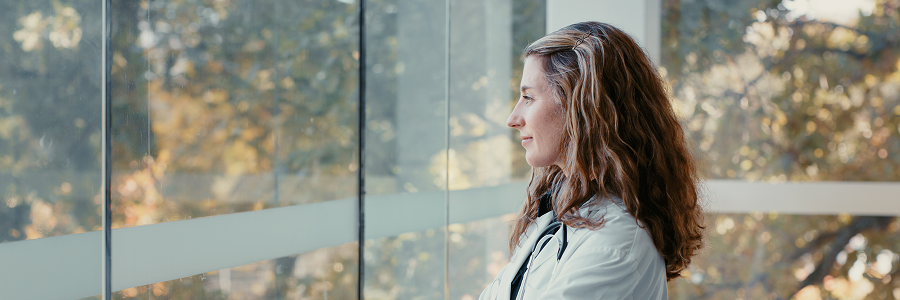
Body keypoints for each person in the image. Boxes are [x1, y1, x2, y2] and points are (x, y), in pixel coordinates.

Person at [479, 21, 705, 300]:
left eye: (528, 97)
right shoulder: (558, 212)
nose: (513, 119)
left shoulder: (615, 242)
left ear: (580, 105)